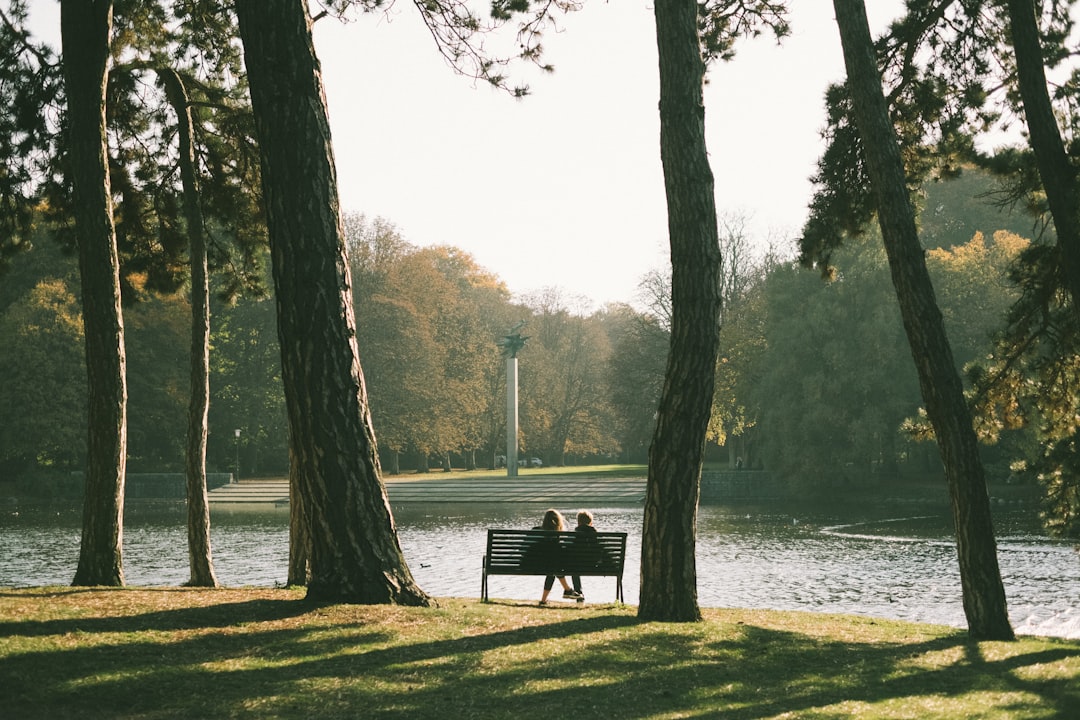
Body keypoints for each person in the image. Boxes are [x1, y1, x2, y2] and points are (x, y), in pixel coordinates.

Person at [535, 509, 582, 605]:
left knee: (552, 567)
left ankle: (544, 600)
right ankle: (568, 590)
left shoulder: (535, 530)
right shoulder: (558, 537)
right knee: (554, 566)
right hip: (549, 565)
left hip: (530, 565)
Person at [570, 510, 598, 602]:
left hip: (577, 565)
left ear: (578, 522)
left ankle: (578, 592)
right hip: (594, 565)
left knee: (573, 566)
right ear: (591, 522)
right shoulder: (596, 535)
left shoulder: (574, 535)